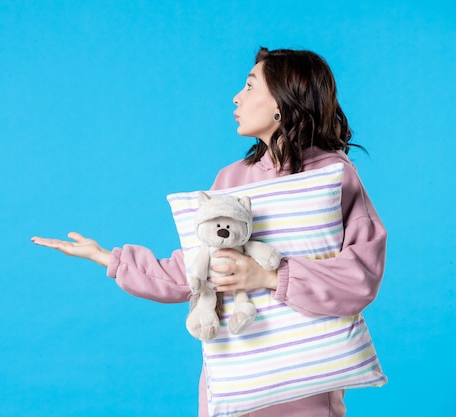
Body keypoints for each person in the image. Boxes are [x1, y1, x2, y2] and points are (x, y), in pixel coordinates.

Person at [31, 47, 387, 417]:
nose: (237, 96)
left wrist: (267, 275)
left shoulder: (334, 178)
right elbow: (195, 270)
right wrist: (106, 256)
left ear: (281, 103)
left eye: (250, 86)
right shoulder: (231, 179)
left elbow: (359, 279)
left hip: (305, 394)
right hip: (234, 385)